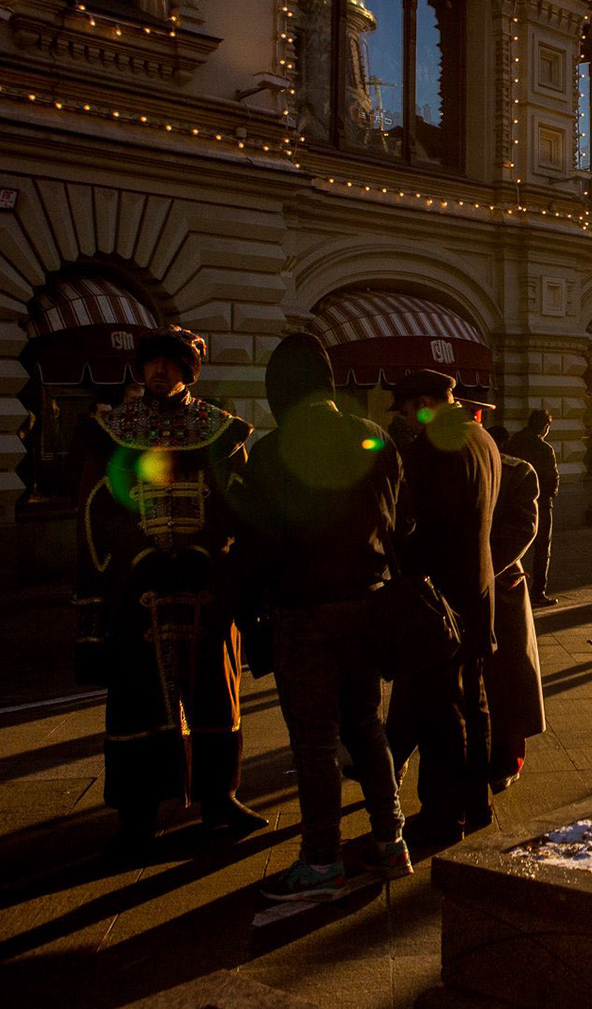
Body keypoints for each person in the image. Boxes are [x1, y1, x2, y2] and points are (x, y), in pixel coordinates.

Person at [71, 325, 262, 856]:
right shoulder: (113, 430)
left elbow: (237, 506)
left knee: (214, 691)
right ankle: (136, 814)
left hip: (206, 590)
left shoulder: (217, 429)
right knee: (137, 697)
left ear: (187, 371)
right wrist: (129, 560)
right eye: (152, 362)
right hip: (136, 592)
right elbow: (95, 510)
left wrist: (215, 557)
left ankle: (220, 799)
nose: (160, 370)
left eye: (171, 363)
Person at [234, 333, 408, 900]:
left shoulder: (270, 453)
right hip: (368, 604)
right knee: (366, 725)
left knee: (314, 740)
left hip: (303, 611)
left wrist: (246, 605)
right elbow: (397, 520)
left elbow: (257, 543)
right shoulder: (375, 437)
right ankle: (390, 841)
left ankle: (322, 859)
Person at [384, 369, 500, 855]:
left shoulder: (433, 447)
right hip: (477, 591)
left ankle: (442, 815)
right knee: (473, 702)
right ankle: (476, 803)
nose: (407, 421)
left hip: (440, 600)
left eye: (409, 411)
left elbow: (422, 528)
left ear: (426, 404)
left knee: (440, 709)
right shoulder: (482, 438)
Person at [485, 450, 545, 794]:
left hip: (498, 584)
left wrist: (479, 569)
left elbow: (522, 529)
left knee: (506, 677)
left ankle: (506, 759)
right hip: (451, 583)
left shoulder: (516, 471)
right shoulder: (429, 461)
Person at [506, 408, 560, 607]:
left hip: (513, 503)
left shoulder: (514, 443)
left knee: (511, 546)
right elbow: (552, 480)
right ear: (545, 427)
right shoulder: (545, 449)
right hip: (540, 504)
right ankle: (538, 593)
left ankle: (508, 588)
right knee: (542, 548)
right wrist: (550, 493)